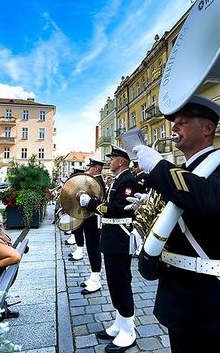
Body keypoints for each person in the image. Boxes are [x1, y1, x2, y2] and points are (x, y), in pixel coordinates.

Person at [133, 95, 220, 352]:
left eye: (183, 122)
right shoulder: (181, 172)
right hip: (178, 299)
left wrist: (159, 167)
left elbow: (212, 200)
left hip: (212, 303)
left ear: (207, 128)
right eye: (175, 123)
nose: (174, 127)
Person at [79, 146, 138, 352]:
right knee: (114, 282)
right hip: (112, 236)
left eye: (112, 158)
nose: (109, 161)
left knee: (121, 282)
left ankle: (129, 329)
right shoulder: (119, 179)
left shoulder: (128, 180)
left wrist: (92, 203)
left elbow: (118, 208)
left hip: (120, 237)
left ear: (121, 161)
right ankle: (119, 323)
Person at [79, 158, 106, 295]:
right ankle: (93, 275)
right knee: (90, 248)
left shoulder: (98, 182)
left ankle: (96, 280)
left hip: (94, 220)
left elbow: (95, 203)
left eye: (90, 167)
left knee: (94, 248)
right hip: (89, 220)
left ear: (96, 169)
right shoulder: (94, 181)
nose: (88, 169)